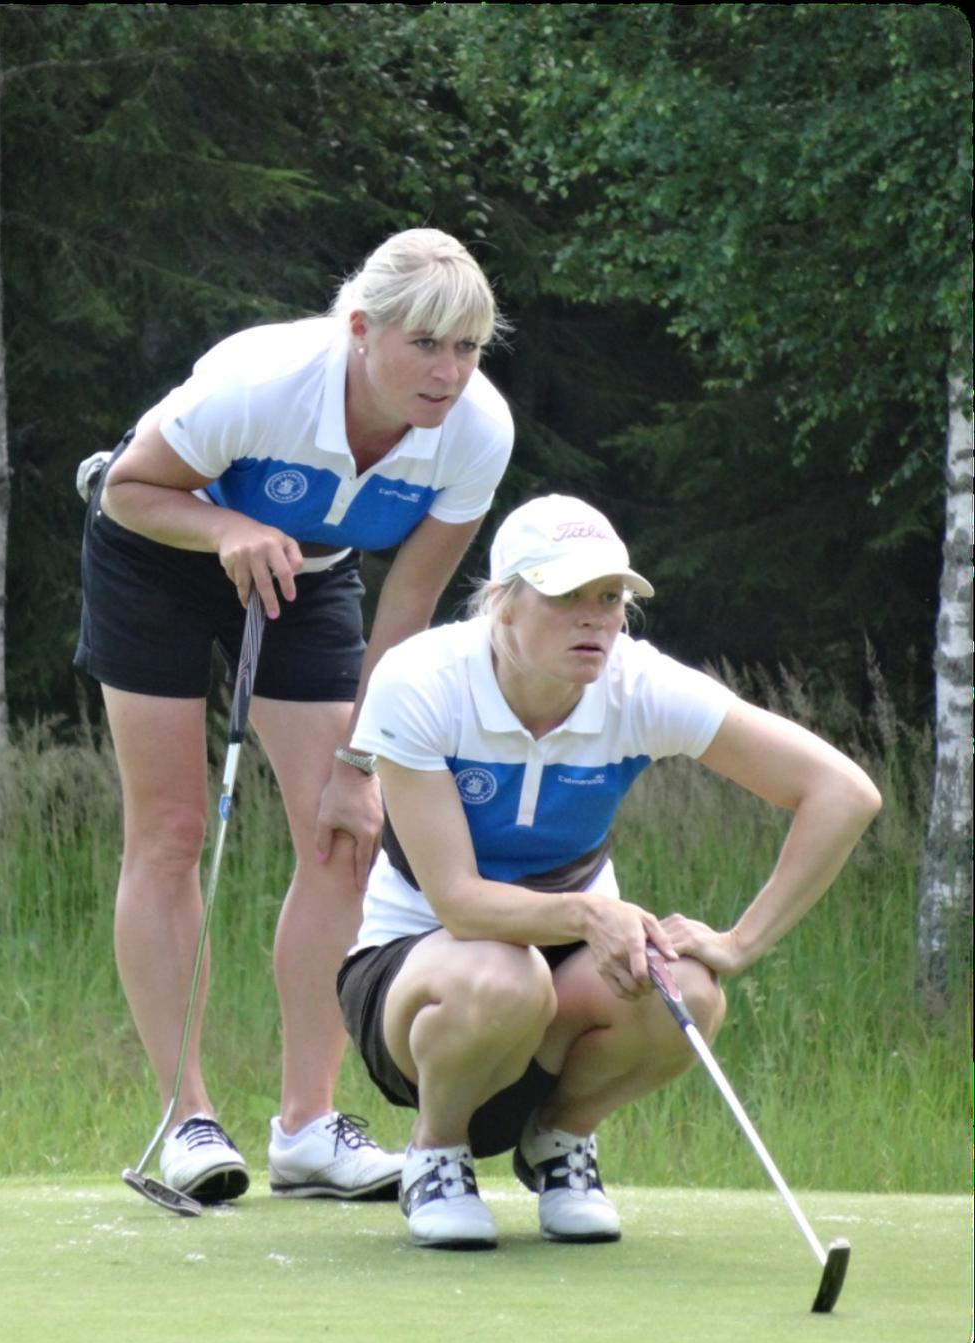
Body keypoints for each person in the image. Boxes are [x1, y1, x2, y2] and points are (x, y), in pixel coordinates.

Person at [74, 228, 513, 1203]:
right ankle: (185, 1119)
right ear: (360, 330)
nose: (449, 372)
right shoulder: (262, 381)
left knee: (344, 833)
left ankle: (307, 1128)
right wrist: (228, 525)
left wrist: (365, 762)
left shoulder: (477, 431)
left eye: (468, 348)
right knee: (171, 829)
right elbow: (126, 488)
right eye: (426, 345)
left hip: (308, 579)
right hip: (157, 554)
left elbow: (406, 604)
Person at [337, 493, 882, 1248]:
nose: (595, 618)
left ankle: (560, 1142)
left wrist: (741, 943)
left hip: (564, 976)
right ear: (502, 602)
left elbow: (843, 793)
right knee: (502, 975)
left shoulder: (637, 685)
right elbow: (459, 904)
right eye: (566, 597)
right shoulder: (423, 678)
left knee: (688, 991)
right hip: (420, 978)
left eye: (610, 597)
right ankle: (436, 1152)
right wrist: (592, 915)